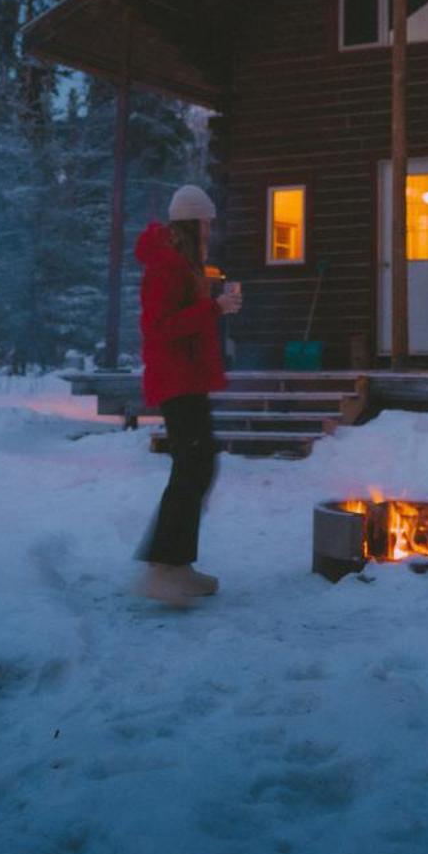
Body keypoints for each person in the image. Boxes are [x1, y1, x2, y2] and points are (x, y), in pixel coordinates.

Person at [133, 184, 242, 606]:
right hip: (175, 380)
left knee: (197, 465)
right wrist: (214, 309)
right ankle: (165, 569)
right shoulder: (167, 266)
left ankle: (175, 566)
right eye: (207, 223)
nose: (210, 231)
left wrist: (214, 306)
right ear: (193, 223)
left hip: (186, 378)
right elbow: (160, 328)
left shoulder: (181, 263)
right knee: (192, 467)